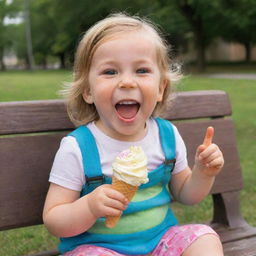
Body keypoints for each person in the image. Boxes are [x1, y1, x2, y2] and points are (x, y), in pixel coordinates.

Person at [43, 13, 224, 256]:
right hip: (100, 249)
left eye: (141, 70)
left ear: (160, 89)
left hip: (161, 243)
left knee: (204, 238)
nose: (127, 82)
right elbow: (54, 219)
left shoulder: (166, 136)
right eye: (110, 72)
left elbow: (187, 194)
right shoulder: (79, 147)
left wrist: (203, 173)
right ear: (88, 91)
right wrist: (89, 206)